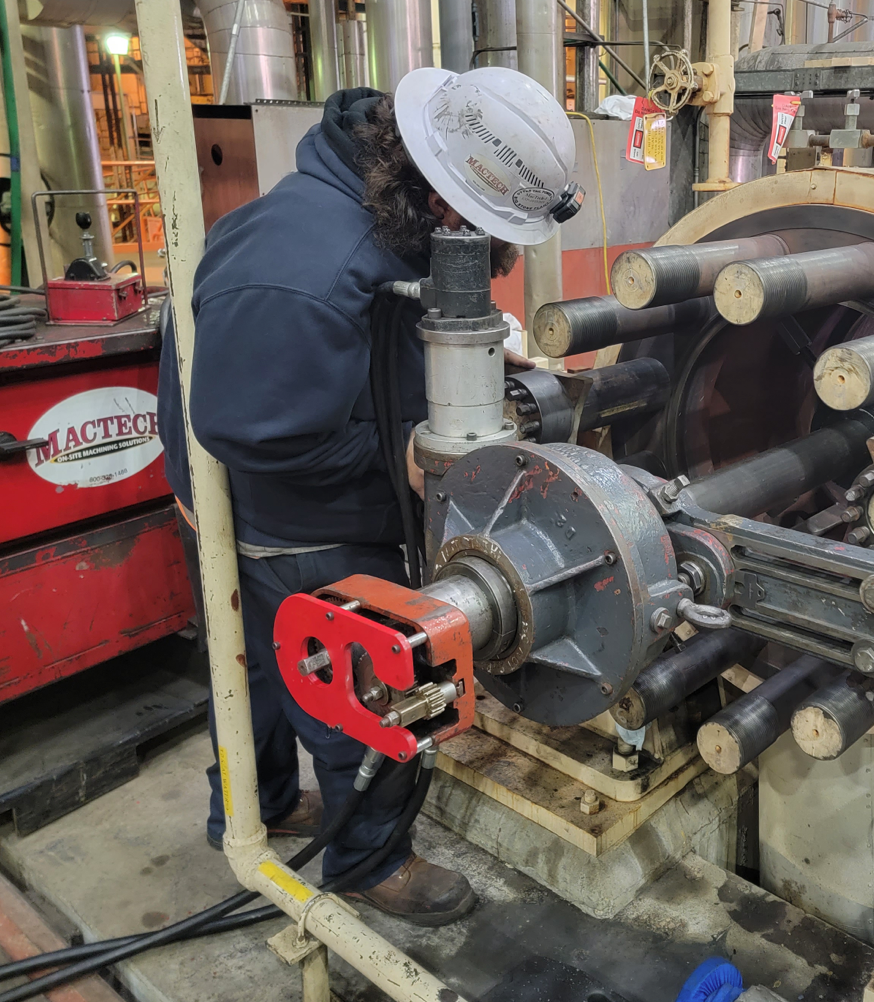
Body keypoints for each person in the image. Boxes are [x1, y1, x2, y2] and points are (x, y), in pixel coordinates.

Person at [157, 66, 580, 927]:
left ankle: (260, 803)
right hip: (287, 514)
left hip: (273, 501)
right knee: (377, 678)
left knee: (254, 675)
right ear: (436, 196)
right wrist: (405, 457)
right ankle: (369, 861)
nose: (485, 245)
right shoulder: (305, 263)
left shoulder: (370, 214)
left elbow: (369, 346)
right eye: (479, 224)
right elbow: (255, 427)